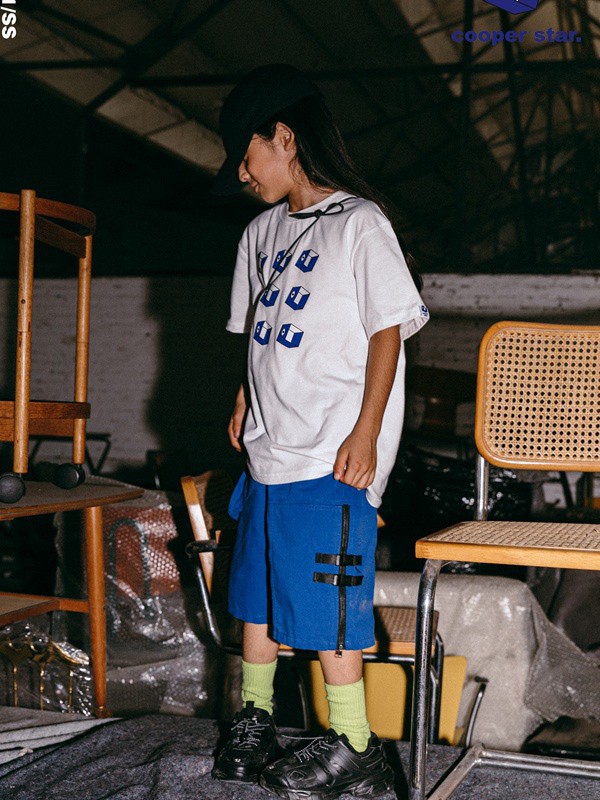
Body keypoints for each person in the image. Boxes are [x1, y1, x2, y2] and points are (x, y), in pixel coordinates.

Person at [209, 63, 429, 800]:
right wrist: (246, 393)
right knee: (258, 594)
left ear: (283, 136)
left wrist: (367, 431)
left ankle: (356, 744)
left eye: (246, 155)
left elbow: (387, 331)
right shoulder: (259, 233)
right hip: (268, 453)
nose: (243, 174)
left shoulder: (360, 223)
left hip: (332, 455)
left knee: (329, 608)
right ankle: (257, 719)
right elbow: (258, 332)